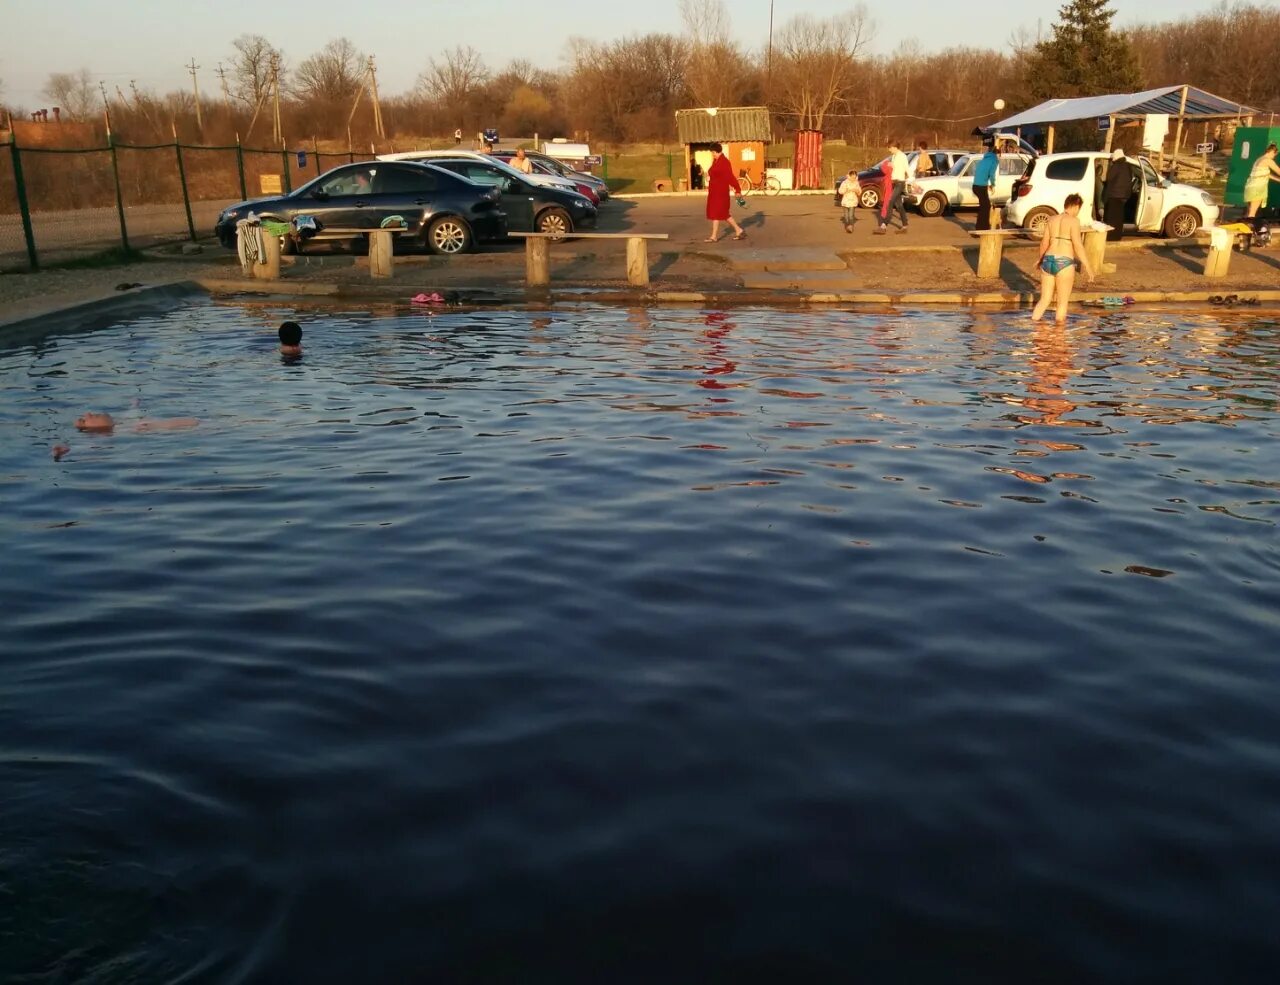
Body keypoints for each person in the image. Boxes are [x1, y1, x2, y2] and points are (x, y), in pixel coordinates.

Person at [1032, 193, 1095, 323]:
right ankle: (1059, 338)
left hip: (1048, 260)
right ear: (1076, 206)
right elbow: (1077, 245)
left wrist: (1040, 259)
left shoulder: (1052, 219)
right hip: (1064, 262)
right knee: (1062, 302)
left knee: (1044, 299)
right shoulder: (1074, 221)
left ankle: (1033, 328)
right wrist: (1088, 266)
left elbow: (1044, 242)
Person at [704, 143, 745, 242]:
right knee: (718, 213)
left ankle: (716, 236)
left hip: (720, 192)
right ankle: (737, 230)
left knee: (720, 213)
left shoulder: (724, 162)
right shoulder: (716, 161)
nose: (712, 154)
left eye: (713, 152)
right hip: (715, 191)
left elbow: (730, 177)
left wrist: (737, 189)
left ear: (717, 151)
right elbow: (714, 173)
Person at [877, 138, 910, 234]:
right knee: (899, 205)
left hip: (900, 183)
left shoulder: (902, 156)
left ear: (895, 147)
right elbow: (893, 169)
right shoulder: (894, 156)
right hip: (894, 182)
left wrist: (912, 180)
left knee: (890, 202)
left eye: (890, 148)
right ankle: (905, 225)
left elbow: (907, 169)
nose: (889, 149)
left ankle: (884, 225)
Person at [1102, 149, 1134, 242]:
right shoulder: (1128, 166)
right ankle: (1117, 236)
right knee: (1119, 218)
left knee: (1112, 218)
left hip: (1114, 195)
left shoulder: (1116, 166)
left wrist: (1105, 196)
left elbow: (1109, 179)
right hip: (1124, 196)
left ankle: (1111, 237)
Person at [1244, 142, 1280, 219]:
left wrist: (1278, 180)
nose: (1274, 157)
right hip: (1258, 188)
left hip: (1251, 186)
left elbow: (1266, 175)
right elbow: (1279, 171)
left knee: (1250, 210)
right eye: (1274, 155)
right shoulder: (1268, 160)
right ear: (1272, 152)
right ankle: (1249, 226)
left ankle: (1246, 225)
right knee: (1252, 212)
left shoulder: (1259, 159)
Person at [973, 141, 999, 231]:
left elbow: (979, 173)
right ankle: (982, 228)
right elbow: (992, 174)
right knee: (986, 207)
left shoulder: (984, 159)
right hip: (981, 186)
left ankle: (982, 226)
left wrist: (986, 184)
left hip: (976, 186)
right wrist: (993, 185)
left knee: (984, 206)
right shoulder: (994, 160)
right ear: (997, 154)